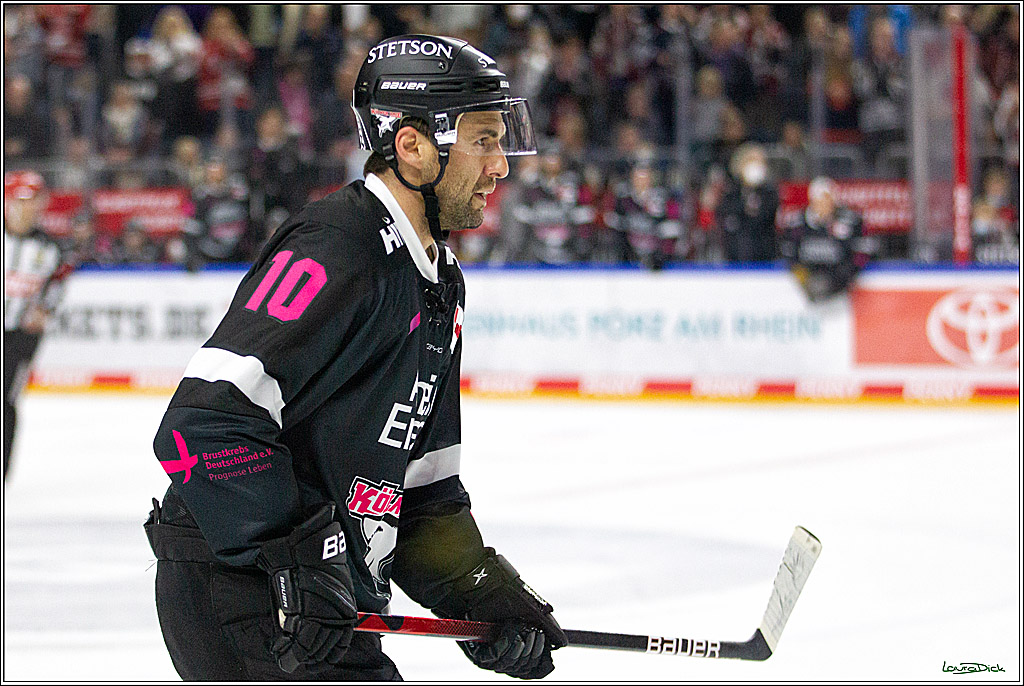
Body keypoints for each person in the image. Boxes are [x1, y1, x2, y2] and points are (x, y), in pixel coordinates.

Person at [145, 34, 567, 681]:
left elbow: (423, 495)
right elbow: (200, 426)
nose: (502, 165)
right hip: (244, 593)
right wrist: (296, 556)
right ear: (414, 146)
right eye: (484, 140)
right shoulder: (339, 245)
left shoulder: (440, 286)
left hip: (321, 608)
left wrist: (483, 594)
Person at [3, 171, 73, 478]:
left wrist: (44, 310)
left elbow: (55, 290)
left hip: (19, 337)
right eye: (20, 201)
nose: (27, 209)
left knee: (5, 400)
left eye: (34, 201)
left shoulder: (50, 249)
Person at [781, 176, 874, 302]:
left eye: (828, 198)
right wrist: (801, 274)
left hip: (841, 291)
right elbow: (787, 251)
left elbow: (864, 249)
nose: (824, 203)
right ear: (812, 200)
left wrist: (847, 275)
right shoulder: (796, 223)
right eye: (820, 199)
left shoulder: (850, 221)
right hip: (809, 286)